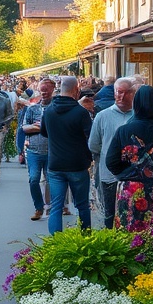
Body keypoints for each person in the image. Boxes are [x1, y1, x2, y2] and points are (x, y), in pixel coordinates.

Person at [105, 84, 153, 231]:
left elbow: (111, 161)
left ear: (135, 103)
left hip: (130, 191)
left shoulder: (124, 130)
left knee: (128, 234)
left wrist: (127, 174)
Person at [40, 76, 94, 233]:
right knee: (82, 205)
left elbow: (44, 132)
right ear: (76, 90)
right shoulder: (81, 112)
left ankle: (55, 241)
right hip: (77, 164)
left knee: (56, 206)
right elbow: (90, 136)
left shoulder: (49, 111)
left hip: (56, 164)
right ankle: (85, 238)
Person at [88, 77, 135, 228]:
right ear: (114, 93)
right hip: (109, 175)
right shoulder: (103, 116)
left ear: (133, 94)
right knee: (110, 213)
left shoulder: (137, 117)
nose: (121, 96)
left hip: (133, 176)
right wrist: (109, 155)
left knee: (131, 215)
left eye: (126, 92)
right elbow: (93, 145)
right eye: (119, 92)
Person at [19, 79, 52, 220]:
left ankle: (51, 207)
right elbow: (24, 127)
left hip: (52, 151)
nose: (44, 93)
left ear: (53, 89)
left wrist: (39, 126)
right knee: (33, 180)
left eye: (47, 90)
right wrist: (36, 127)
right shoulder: (32, 109)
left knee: (51, 181)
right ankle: (39, 207)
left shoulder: (55, 108)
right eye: (42, 90)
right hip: (33, 150)